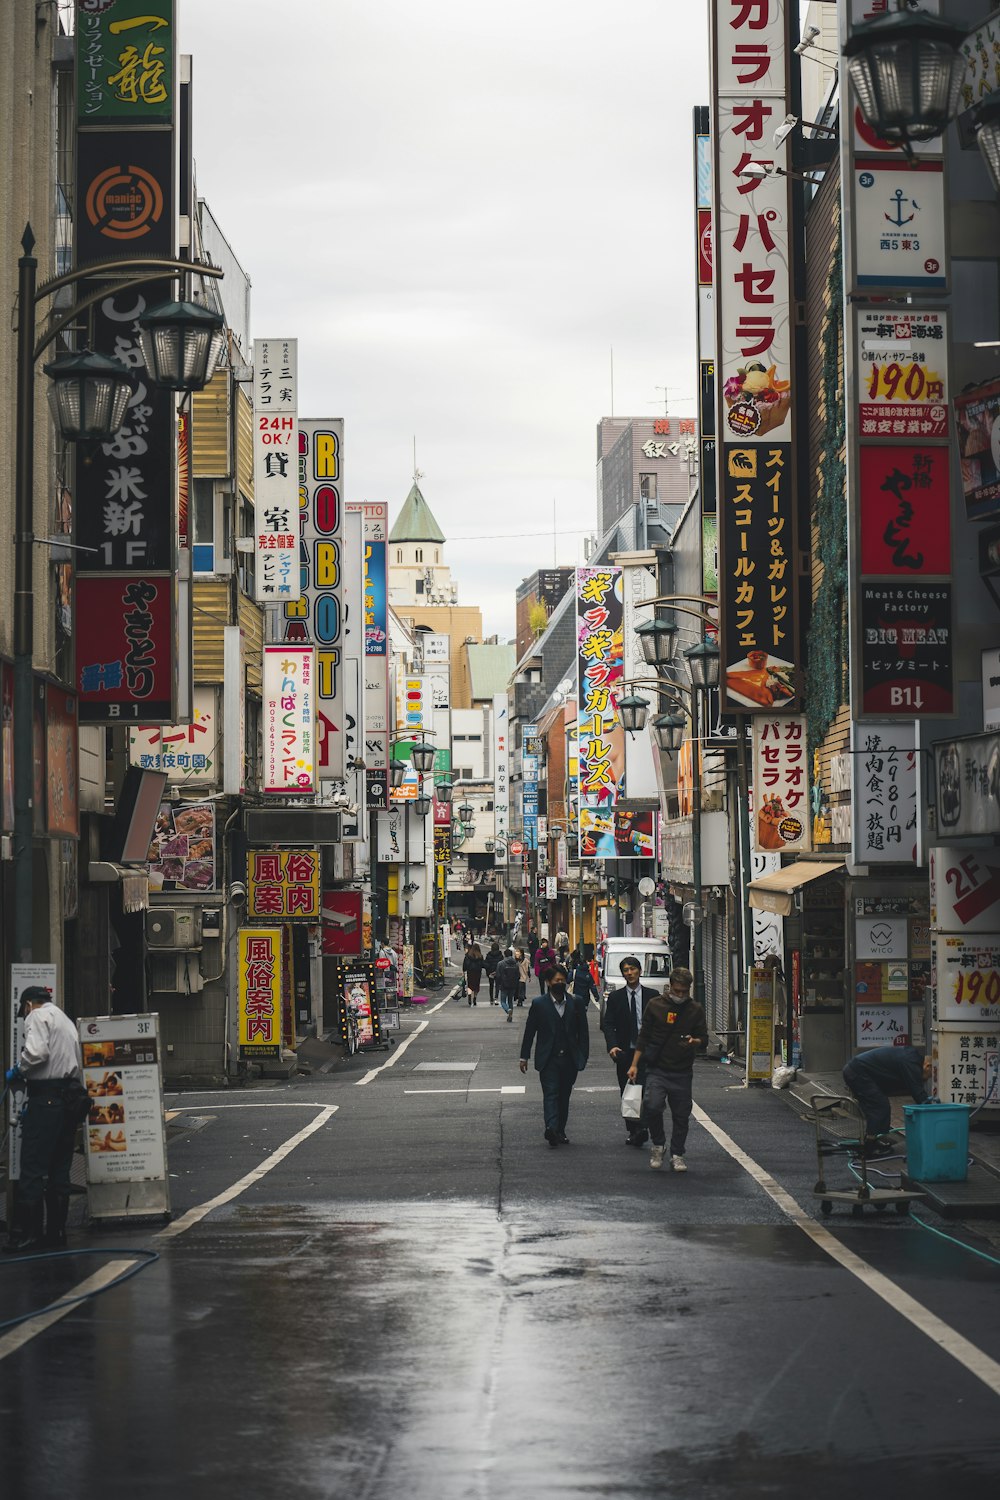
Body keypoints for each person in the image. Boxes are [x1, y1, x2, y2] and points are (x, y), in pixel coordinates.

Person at [4, 985, 84, 1253]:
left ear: (28, 1004)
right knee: (59, 1170)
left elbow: (37, 1054)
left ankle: (27, 1235)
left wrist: (20, 1069)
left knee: (32, 1169)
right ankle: (57, 1233)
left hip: (45, 1099)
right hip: (69, 1101)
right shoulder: (64, 1019)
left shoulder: (36, 1016)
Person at [627, 966, 708, 1172]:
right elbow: (643, 1036)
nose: (680, 995)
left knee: (681, 1115)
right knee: (652, 1106)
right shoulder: (655, 1005)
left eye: (684, 991)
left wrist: (694, 1041)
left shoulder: (695, 1010)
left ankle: (677, 1154)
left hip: (682, 1070)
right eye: (677, 990)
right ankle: (658, 1144)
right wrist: (635, 1064)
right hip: (657, 1068)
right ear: (670, 986)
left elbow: (704, 1039)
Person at [519, 963, 589, 1145]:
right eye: (557, 980)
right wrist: (524, 1056)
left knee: (564, 1095)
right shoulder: (539, 1004)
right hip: (548, 1057)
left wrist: (583, 1056)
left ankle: (560, 1129)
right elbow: (530, 1032)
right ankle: (551, 1127)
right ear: (549, 982)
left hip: (570, 1058)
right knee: (551, 1093)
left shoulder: (576, 1002)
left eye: (563, 980)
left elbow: (584, 1033)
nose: (561, 983)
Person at [603, 956, 659, 1148]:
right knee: (627, 1092)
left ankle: (642, 1128)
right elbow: (608, 1023)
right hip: (624, 1052)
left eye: (633, 969)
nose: (630, 973)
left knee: (646, 1092)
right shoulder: (616, 998)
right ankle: (634, 1130)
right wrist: (612, 1046)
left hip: (647, 1052)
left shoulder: (653, 995)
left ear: (640, 971)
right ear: (623, 973)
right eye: (626, 970)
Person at [843, 1045, 932, 1157]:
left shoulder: (911, 1058)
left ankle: (872, 1140)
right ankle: (869, 1147)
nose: (928, 1079)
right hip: (857, 1072)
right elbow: (917, 1091)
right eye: (930, 1076)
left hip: (857, 1071)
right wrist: (932, 1111)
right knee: (880, 1106)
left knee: (877, 1105)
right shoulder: (911, 1063)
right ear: (928, 1066)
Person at [495, 949, 521, 1022]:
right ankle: (510, 1016)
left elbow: (498, 975)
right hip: (513, 985)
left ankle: (508, 1010)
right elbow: (518, 975)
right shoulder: (515, 963)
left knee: (503, 1001)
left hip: (504, 984)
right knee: (510, 1001)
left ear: (504, 955)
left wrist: (498, 983)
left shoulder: (500, 963)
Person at [484, 939, 502, 1004]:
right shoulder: (500, 955)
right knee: (497, 985)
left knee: (491, 985)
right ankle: (496, 998)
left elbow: (486, 963)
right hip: (498, 972)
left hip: (490, 972)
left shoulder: (489, 955)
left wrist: (488, 970)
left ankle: (491, 998)